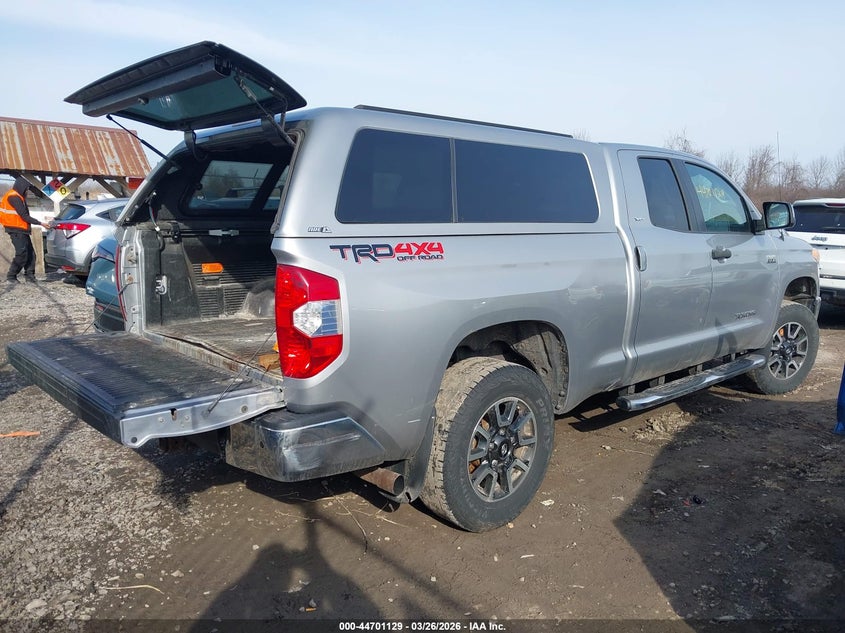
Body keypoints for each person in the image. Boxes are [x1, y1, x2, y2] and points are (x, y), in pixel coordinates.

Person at [0, 177, 52, 284]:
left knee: (31, 253)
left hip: (21, 229)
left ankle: (30, 276)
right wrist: (41, 223)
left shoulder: (18, 196)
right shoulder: (14, 197)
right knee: (22, 253)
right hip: (15, 229)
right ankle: (11, 276)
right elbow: (24, 216)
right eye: (27, 188)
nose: (27, 191)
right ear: (21, 187)